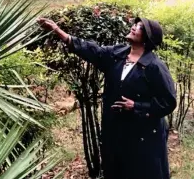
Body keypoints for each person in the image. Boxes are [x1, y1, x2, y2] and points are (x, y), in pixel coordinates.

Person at [37, 16, 177, 179]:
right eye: (135, 24)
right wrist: (59, 32)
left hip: (143, 136)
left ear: (148, 38)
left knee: (141, 172)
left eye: (139, 27)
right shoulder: (117, 54)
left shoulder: (154, 67)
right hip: (116, 130)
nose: (133, 27)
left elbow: (168, 101)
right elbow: (92, 50)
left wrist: (137, 106)